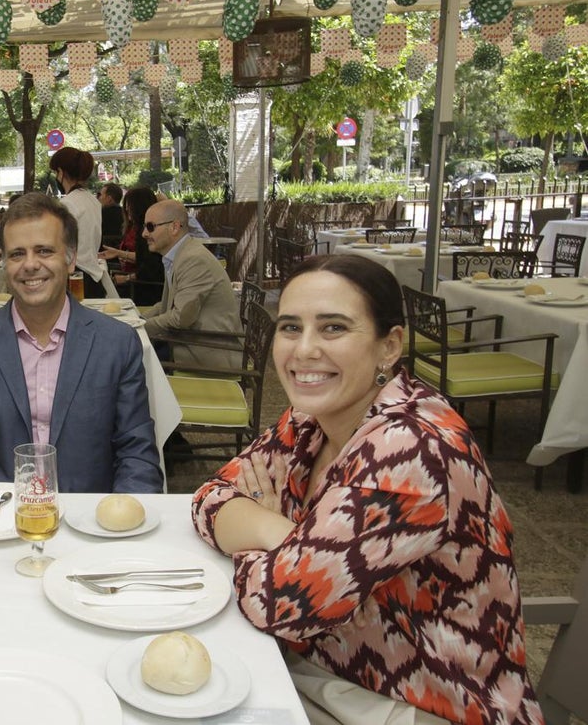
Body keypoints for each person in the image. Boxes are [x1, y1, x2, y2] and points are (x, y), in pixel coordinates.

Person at [192, 254, 543, 725]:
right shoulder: (308, 420)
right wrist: (280, 532)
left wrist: (276, 550)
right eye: (290, 327)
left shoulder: (411, 449)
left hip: (425, 703)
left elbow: (279, 604)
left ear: (389, 345)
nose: (304, 351)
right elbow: (208, 497)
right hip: (327, 669)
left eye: (333, 328)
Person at [0, 192, 162, 494]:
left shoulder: (116, 344)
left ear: (71, 259)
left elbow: (136, 451)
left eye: (45, 251)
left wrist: (122, 516)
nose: (30, 265)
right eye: (17, 254)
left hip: (87, 523)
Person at [141, 199, 241, 370]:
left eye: (150, 227)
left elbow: (180, 318)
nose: (144, 233)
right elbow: (167, 306)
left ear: (174, 227)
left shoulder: (193, 259)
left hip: (208, 354)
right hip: (189, 342)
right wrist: (139, 321)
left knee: (133, 365)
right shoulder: (181, 254)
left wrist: (138, 329)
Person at [49, 147, 105, 299]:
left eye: (55, 172)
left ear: (61, 172)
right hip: (93, 277)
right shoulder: (93, 201)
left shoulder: (67, 204)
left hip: (73, 278)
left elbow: (57, 244)